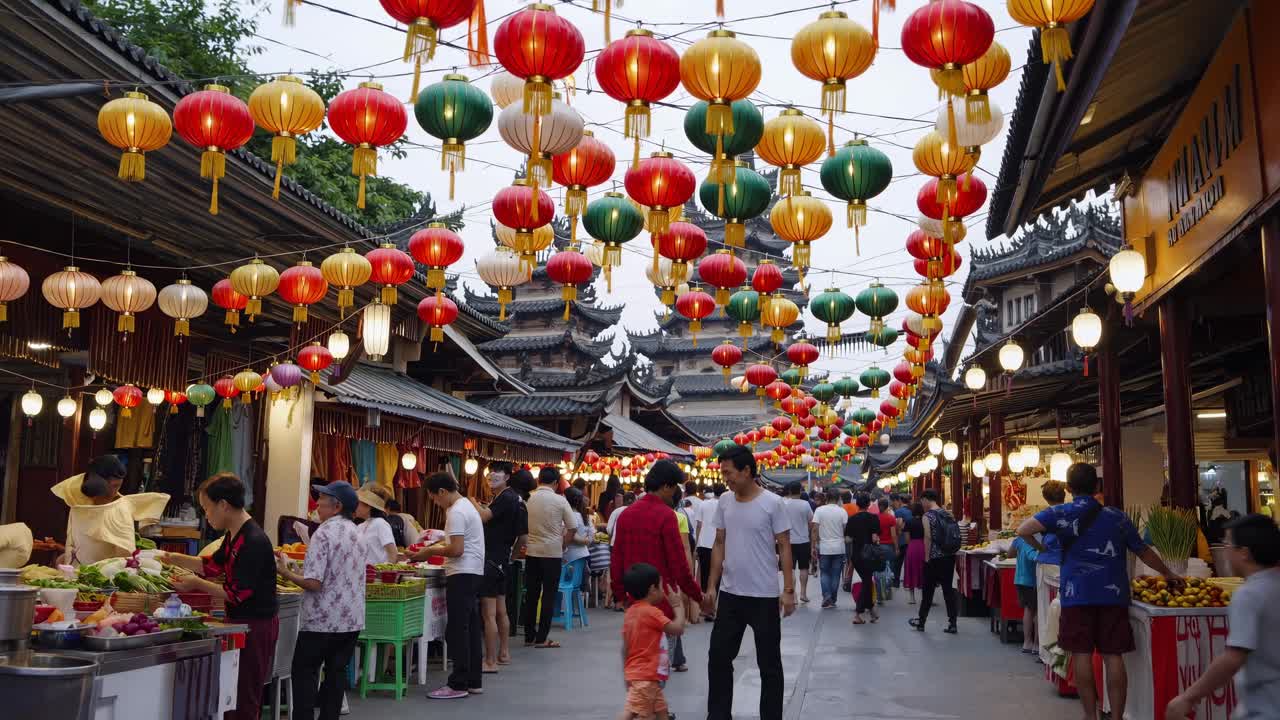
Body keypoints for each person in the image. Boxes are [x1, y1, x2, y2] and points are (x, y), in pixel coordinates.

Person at [1017, 463, 1183, 720]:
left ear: (1069, 488)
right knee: (1113, 655)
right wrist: (1168, 573)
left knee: (1081, 654)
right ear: (1097, 486)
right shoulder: (1117, 517)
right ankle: (1116, 717)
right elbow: (1142, 550)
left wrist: (1044, 550)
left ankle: (1090, 715)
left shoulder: (1059, 512)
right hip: (1113, 595)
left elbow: (1023, 530)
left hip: (1076, 594)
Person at [163, 473, 277, 720]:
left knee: (245, 696)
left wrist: (196, 583)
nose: (206, 515)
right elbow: (212, 565)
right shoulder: (234, 534)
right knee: (231, 692)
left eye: (206, 508)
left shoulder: (254, 540)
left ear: (223, 505)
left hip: (256, 625)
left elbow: (236, 594)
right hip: (241, 622)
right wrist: (172, 558)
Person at [703, 445, 793, 720]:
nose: (725, 479)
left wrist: (788, 590)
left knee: (769, 664)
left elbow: (785, 547)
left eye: (728, 473)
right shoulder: (725, 502)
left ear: (747, 471)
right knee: (718, 657)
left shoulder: (773, 503)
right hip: (731, 594)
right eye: (723, 473)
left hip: (764, 595)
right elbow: (719, 542)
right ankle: (718, 715)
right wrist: (711, 587)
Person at [1165, 514, 1280, 719]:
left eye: (1227, 544)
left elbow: (1233, 658)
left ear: (1244, 553)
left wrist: (1188, 697)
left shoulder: (1249, 595)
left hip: (1265, 708)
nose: (1225, 551)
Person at [276, 481, 365, 720]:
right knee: (336, 675)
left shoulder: (323, 533)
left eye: (322, 500)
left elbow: (314, 583)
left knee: (305, 673)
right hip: (351, 620)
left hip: (322, 620)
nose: (317, 504)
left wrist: (286, 573)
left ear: (336, 506)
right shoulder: (357, 532)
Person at [610, 460, 703, 674]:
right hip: (662, 602)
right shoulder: (666, 516)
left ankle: (644, 704)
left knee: (638, 664)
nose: (674, 495)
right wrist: (697, 596)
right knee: (660, 668)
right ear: (666, 486)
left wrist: (619, 595)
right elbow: (679, 566)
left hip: (634, 603)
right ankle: (653, 706)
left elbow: (617, 558)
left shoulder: (626, 515)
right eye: (674, 489)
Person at [406, 472, 486, 699]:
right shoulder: (465, 506)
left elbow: (457, 549)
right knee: (468, 628)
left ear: (442, 492)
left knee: (457, 629)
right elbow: (455, 542)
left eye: (433, 497)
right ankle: (473, 680)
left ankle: (458, 684)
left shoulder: (457, 511)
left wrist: (429, 551)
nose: (434, 502)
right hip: (472, 571)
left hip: (462, 572)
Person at [52, 454, 169, 565]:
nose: (115, 492)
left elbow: (124, 551)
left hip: (106, 567)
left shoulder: (120, 508)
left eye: (118, 486)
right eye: (113, 486)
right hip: (77, 561)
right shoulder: (75, 493)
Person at [472, 463, 527, 673]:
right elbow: (523, 536)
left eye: (497, 472)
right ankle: (504, 653)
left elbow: (484, 517)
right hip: (502, 560)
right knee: (501, 611)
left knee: (489, 613)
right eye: (490, 472)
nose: (492, 476)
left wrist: (471, 502)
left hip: (491, 559)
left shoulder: (505, 497)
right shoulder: (518, 501)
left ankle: (490, 661)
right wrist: (511, 558)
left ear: (507, 477)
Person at [618, 563, 686, 720]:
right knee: (634, 713)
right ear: (652, 590)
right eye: (661, 586)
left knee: (661, 712)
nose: (663, 590)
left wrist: (626, 673)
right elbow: (677, 629)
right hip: (647, 676)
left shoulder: (630, 613)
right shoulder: (652, 613)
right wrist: (678, 606)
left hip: (639, 674)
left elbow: (625, 648)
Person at [523, 466, 576, 648]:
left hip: (532, 551)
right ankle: (542, 638)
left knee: (531, 593)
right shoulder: (560, 501)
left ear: (539, 480)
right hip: (552, 552)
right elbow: (572, 527)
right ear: (555, 483)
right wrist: (563, 544)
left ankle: (529, 635)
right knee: (549, 594)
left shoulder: (529, 498)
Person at [910, 489, 961, 634]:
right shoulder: (948, 513)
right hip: (949, 556)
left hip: (934, 558)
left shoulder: (928, 516)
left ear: (926, 499)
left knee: (928, 591)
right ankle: (953, 623)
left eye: (922, 501)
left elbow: (927, 538)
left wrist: (927, 558)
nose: (922, 504)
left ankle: (921, 621)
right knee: (948, 590)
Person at [844, 494, 882, 624]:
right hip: (869, 555)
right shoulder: (873, 518)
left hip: (856, 555)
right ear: (868, 505)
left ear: (857, 505)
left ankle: (871, 611)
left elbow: (848, 539)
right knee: (867, 582)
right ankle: (858, 614)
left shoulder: (852, 519)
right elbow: (875, 538)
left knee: (866, 581)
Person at [812, 490, 848, 608]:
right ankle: (832, 598)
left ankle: (827, 596)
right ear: (838, 499)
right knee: (836, 574)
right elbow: (845, 529)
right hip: (839, 547)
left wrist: (813, 545)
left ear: (826, 499)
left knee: (825, 573)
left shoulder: (819, 510)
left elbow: (815, 529)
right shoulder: (842, 511)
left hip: (824, 547)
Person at [783, 482, 815, 604]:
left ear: (790, 491)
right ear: (801, 491)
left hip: (789, 542)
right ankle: (803, 593)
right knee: (804, 568)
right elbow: (811, 521)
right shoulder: (805, 504)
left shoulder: (784, 504)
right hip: (803, 541)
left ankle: (794, 596)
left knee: (790, 569)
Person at [1009, 531, 1040, 654]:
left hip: (1019, 579)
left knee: (1028, 609)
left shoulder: (1019, 539)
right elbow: (1033, 556)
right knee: (1037, 611)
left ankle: (1027, 642)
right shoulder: (1031, 541)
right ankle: (1036, 644)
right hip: (1031, 581)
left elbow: (1009, 553)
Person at [695, 484, 726, 602]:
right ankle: (712, 601)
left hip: (704, 543)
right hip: (719, 544)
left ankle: (704, 602)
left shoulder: (704, 504)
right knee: (717, 574)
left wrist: (697, 544)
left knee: (704, 574)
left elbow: (699, 525)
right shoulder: (724, 505)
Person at [901, 502, 926, 604]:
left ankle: (912, 597)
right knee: (924, 570)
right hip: (923, 546)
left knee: (911, 569)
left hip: (912, 547)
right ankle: (926, 596)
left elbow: (907, 539)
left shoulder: (909, 522)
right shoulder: (925, 521)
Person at [875, 497, 898, 603]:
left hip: (877, 547)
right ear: (887, 506)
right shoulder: (891, 518)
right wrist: (896, 547)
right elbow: (893, 535)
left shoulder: (874, 518)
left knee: (877, 571)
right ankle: (886, 592)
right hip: (888, 547)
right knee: (887, 570)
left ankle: (879, 596)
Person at [891, 494, 913, 587]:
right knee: (909, 563)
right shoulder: (912, 511)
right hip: (911, 540)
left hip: (901, 540)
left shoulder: (898, 511)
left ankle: (896, 581)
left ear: (900, 501)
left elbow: (898, 525)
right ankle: (908, 582)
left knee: (898, 562)